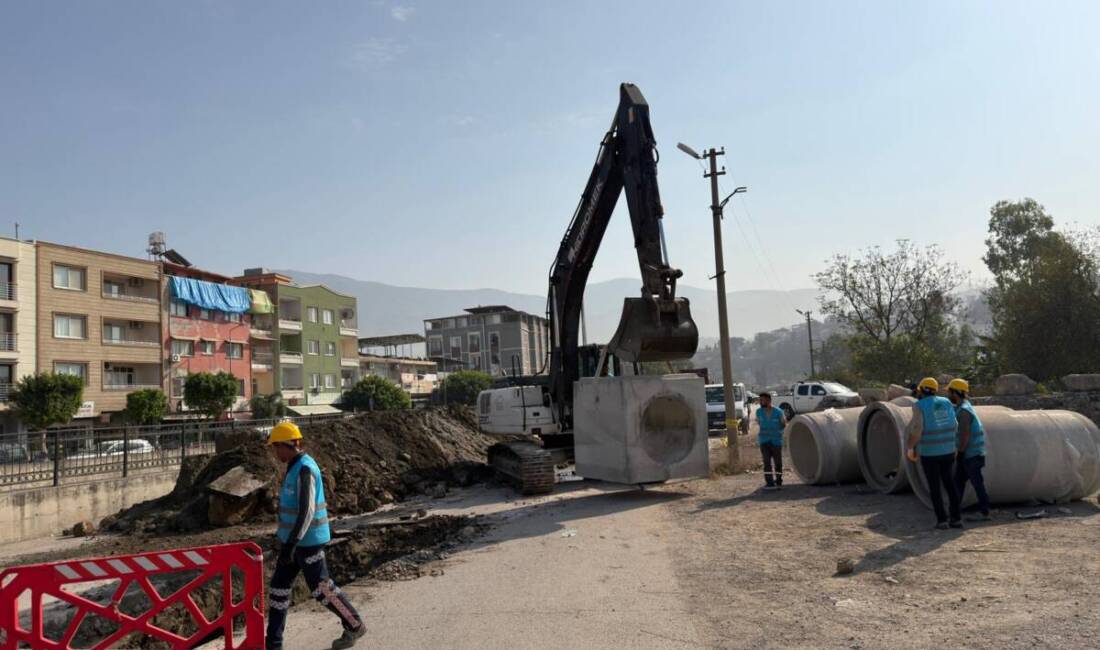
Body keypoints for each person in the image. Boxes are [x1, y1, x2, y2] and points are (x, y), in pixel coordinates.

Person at [266, 422, 365, 650]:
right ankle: (273, 644)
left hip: (307, 543)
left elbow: (307, 510)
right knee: (278, 591)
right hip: (291, 543)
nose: (275, 452)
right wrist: (285, 541)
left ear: (288, 445)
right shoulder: (293, 467)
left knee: (322, 590)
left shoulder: (305, 469)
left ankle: (354, 624)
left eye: (276, 447)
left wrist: (292, 542)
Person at [905, 377, 963, 530]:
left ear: (922, 390)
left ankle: (942, 520)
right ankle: (956, 519)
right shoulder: (946, 402)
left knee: (935, 487)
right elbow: (955, 425)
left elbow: (917, 429)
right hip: (949, 452)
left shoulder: (919, 405)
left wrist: (910, 447)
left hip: (930, 453)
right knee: (950, 484)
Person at [948, 378, 991, 522]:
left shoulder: (964, 411)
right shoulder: (963, 407)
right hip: (970, 453)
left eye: (950, 392)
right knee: (958, 482)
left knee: (976, 482)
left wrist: (960, 452)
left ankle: (985, 512)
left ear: (956, 393)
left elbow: (965, 434)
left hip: (971, 454)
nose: (949, 395)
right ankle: (954, 511)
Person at [755, 392, 786, 490]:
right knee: (766, 462)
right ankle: (769, 482)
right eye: (760, 400)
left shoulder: (778, 411)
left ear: (768, 400)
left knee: (778, 462)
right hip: (764, 441)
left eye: (762, 400)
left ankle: (779, 481)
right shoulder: (758, 412)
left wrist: (776, 432)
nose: (760, 402)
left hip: (776, 441)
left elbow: (783, 424)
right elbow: (760, 423)